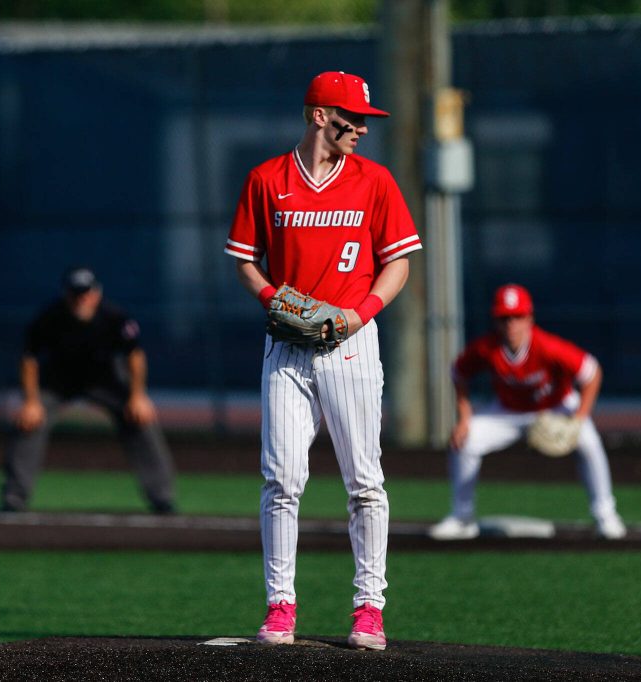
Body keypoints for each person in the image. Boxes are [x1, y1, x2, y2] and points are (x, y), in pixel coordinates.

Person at [225, 71, 422, 651]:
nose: (360, 128)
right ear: (318, 116)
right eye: (350, 118)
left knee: (364, 482)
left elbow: (399, 263)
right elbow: (244, 259)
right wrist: (272, 298)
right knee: (282, 477)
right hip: (287, 347)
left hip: (352, 344)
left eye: (363, 120)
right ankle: (280, 605)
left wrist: (358, 314)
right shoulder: (267, 179)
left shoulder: (375, 181)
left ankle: (369, 609)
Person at [429, 283, 627, 541]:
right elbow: (458, 373)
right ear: (496, 321)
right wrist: (465, 418)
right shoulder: (487, 348)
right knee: (465, 441)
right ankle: (462, 517)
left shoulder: (547, 346)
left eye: (518, 317)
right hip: (508, 412)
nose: (511, 324)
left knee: (589, 441)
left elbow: (591, 372)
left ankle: (606, 516)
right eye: (504, 318)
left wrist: (579, 417)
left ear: (530, 319)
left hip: (555, 406)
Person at [0, 267, 177, 515]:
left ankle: (162, 497)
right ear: (66, 294)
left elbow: (134, 356)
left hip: (105, 379)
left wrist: (138, 396)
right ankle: (14, 496)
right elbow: (29, 359)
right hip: (59, 380)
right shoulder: (49, 318)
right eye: (76, 293)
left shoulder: (114, 317)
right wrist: (31, 401)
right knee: (29, 421)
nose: (82, 299)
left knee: (141, 419)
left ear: (97, 293)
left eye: (87, 293)